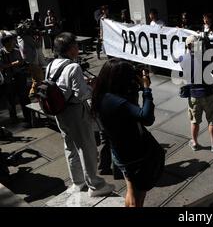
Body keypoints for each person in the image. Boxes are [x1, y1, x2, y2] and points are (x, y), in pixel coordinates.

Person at [47, 32, 114, 197]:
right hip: (76, 113)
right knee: (87, 148)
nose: (78, 48)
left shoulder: (50, 65)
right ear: (70, 49)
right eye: (75, 45)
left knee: (69, 147)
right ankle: (95, 186)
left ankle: (78, 182)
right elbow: (82, 95)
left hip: (60, 112)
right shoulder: (73, 67)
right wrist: (91, 87)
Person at [92, 59, 164, 207]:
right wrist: (146, 89)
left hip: (120, 151)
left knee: (131, 191)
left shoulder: (104, 94)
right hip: (133, 154)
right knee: (138, 198)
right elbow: (146, 117)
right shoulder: (114, 101)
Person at [180, 35, 213, 152]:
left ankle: (194, 143)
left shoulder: (182, 59)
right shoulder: (206, 57)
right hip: (208, 93)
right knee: (212, 120)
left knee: (194, 121)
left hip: (193, 94)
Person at [0, 33, 31, 126]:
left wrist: (22, 63)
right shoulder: (1, 53)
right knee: (11, 100)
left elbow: (22, 62)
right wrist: (13, 64)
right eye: (12, 41)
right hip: (8, 78)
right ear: (6, 43)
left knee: (23, 97)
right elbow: (1, 67)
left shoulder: (17, 51)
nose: (14, 42)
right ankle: (14, 118)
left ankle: (28, 117)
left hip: (19, 76)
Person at [16, 20, 44, 98]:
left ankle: (34, 92)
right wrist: (39, 38)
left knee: (35, 77)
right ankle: (32, 94)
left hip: (27, 60)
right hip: (32, 60)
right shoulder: (26, 37)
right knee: (40, 78)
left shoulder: (19, 38)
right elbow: (37, 46)